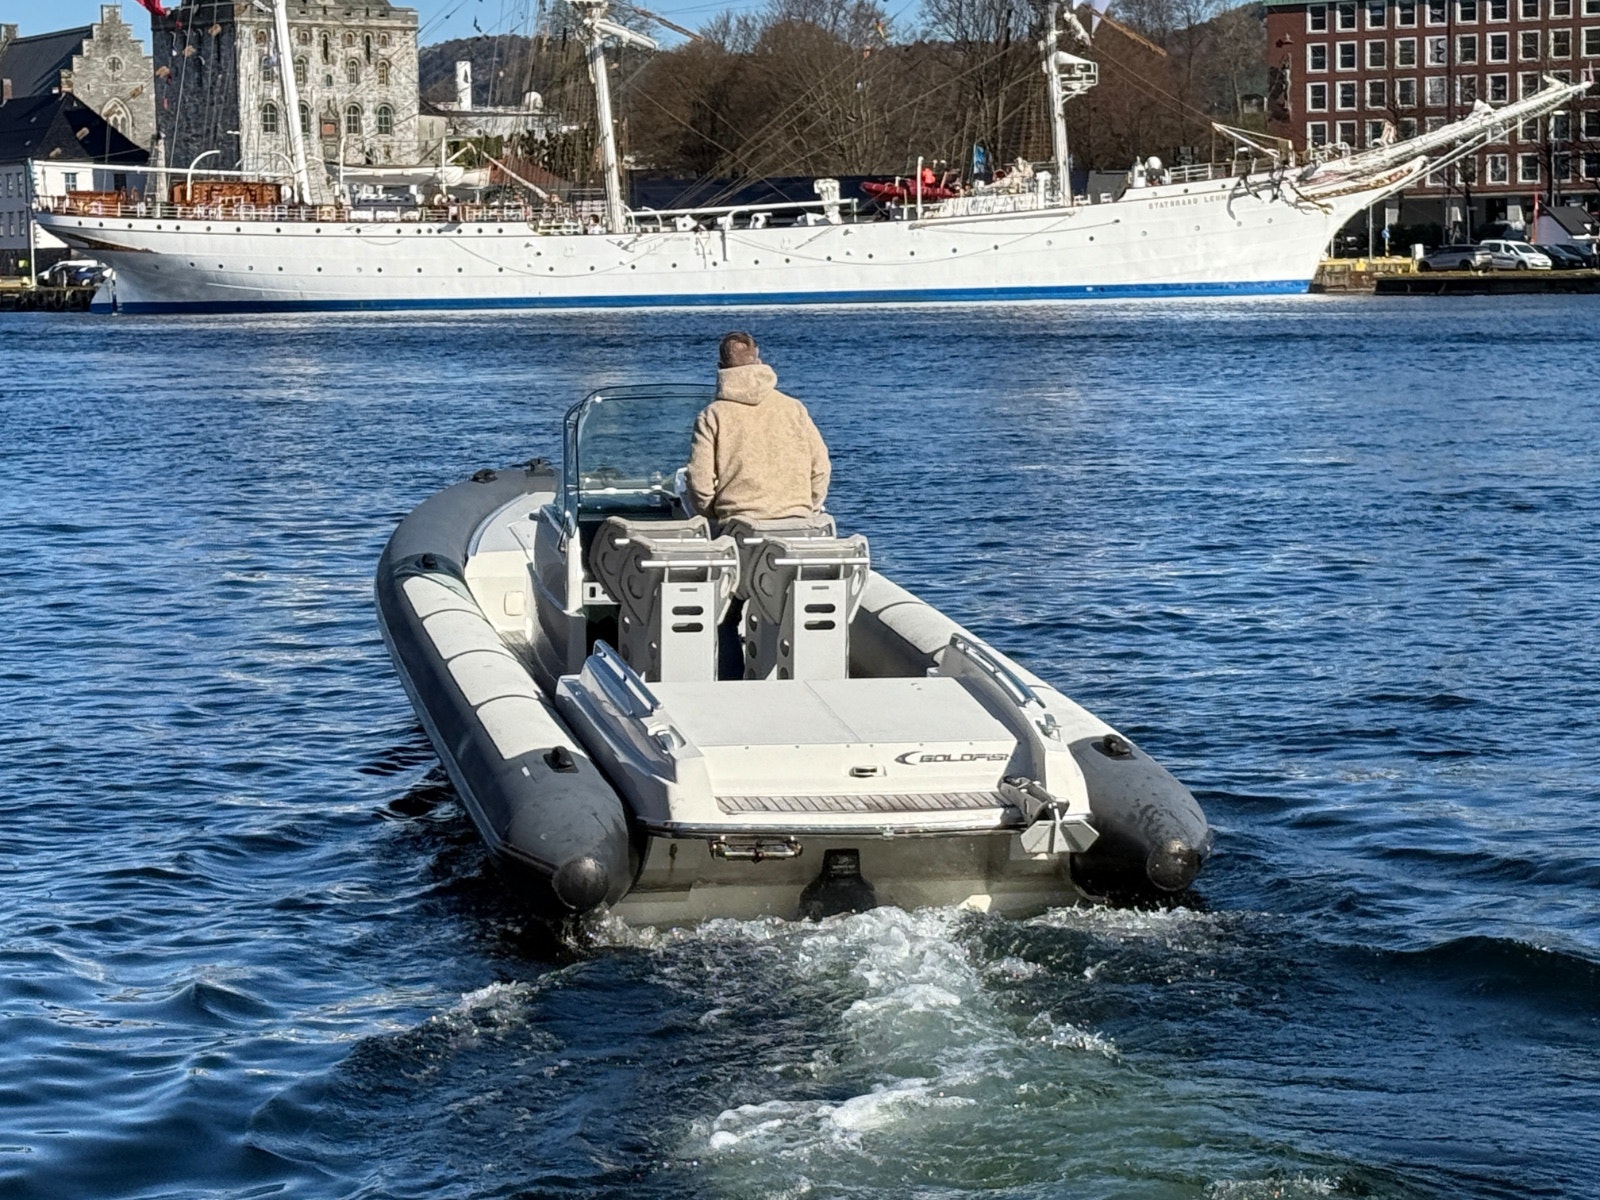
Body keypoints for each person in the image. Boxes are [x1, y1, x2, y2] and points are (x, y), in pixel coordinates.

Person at [685, 332, 831, 528]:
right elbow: (821, 467)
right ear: (758, 361)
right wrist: (808, 509)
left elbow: (699, 481)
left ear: (720, 368)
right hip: (797, 522)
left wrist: (716, 513)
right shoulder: (794, 408)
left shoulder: (713, 415)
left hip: (738, 524)